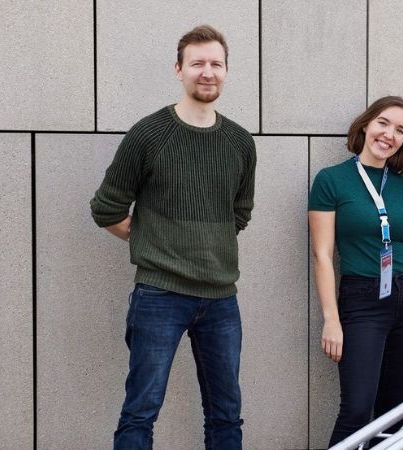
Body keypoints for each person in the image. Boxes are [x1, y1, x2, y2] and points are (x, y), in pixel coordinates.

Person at [89, 25, 255, 450]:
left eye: (216, 63)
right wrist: (154, 241)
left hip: (222, 299)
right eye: (197, 63)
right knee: (140, 412)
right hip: (159, 295)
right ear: (178, 69)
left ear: (227, 71)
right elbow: (106, 209)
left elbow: (239, 213)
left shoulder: (239, 142)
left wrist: (196, 241)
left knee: (225, 416)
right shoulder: (149, 134)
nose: (207, 72)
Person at [309, 96, 403, 446]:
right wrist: (331, 319)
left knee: (397, 409)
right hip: (362, 301)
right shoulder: (331, 180)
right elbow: (322, 256)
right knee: (356, 410)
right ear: (366, 125)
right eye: (384, 123)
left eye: (400, 130)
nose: (389, 134)